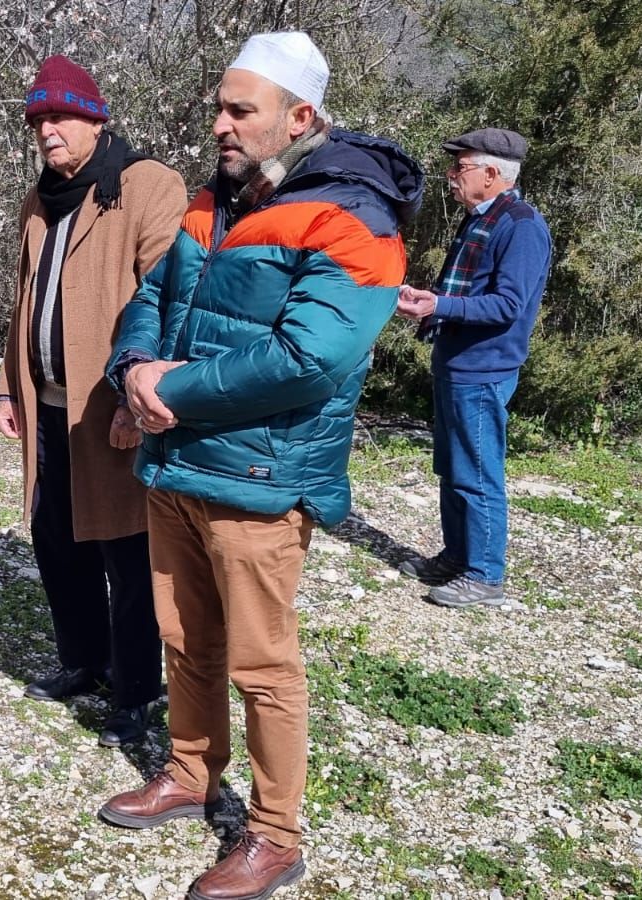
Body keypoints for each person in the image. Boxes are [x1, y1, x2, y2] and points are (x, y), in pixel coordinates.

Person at [98, 32, 422, 900]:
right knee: (183, 637)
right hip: (178, 464)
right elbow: (154, 294)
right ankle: (191, 772)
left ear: (300, 116)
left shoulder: (354, 216)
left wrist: (172, 389)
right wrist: (134, 369)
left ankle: (276, 834)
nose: (221, 124)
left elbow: (310, 358)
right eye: (220, 106)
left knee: (262, 666)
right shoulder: (217, 198)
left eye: (240, 110)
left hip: (259, 480)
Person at [0, 56, 188, 747]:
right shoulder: (41, 197)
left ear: (96, 119)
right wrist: (9, 384)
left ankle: (136, 692)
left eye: (60, 117)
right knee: (56, 539)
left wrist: (143, 401)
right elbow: (25, 299)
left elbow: (171, 301)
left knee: (127, 553)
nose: (47, 131)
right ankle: (83, 659)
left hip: (111, 408)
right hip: (47, 403)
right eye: (38, 120)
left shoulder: (146, 185)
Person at [395, 128, 552, 609]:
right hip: (456, 361)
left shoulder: (521, 226)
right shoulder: (482, 219)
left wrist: (438, 305)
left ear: (491, 173)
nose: (451, 175)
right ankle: (457, 557)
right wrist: (433, 302)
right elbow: (466, 290)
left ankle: (484, 575)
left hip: (484, 368)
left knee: (477, 473)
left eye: (460, 167)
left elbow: (507, 305)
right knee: (452, 467)